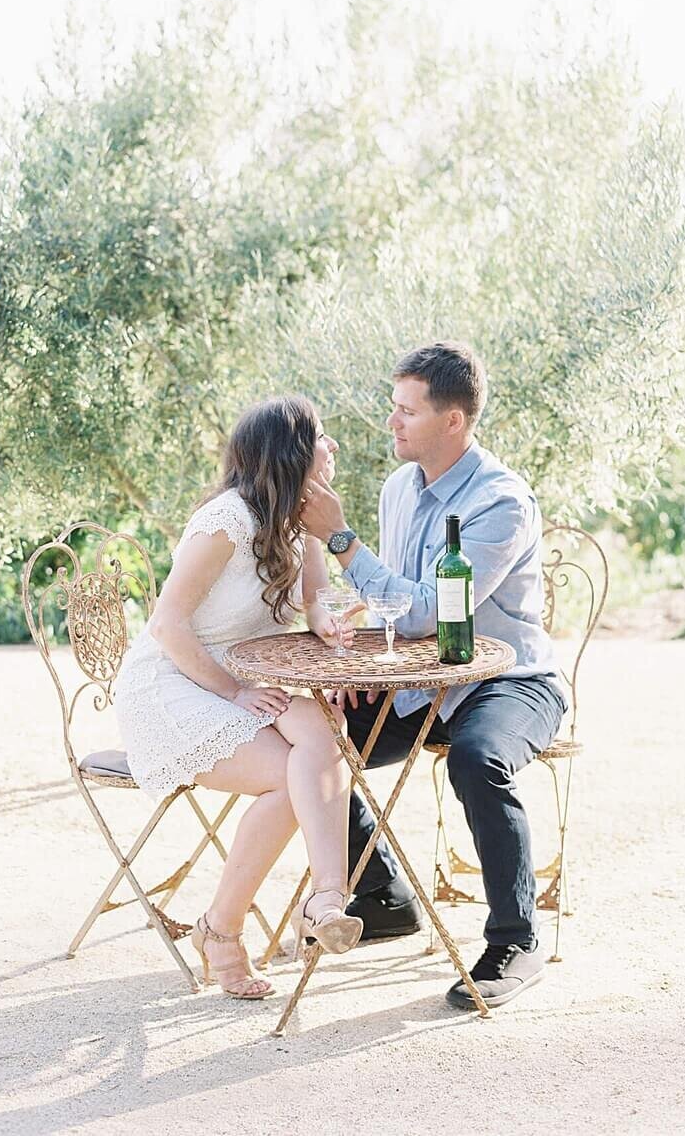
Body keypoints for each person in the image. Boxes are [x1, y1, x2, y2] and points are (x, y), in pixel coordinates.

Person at [299, 342, 566, 1010]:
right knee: (310, 741)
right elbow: (396, 606)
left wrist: (340, 540)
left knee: (476, 758)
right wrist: (358, 668)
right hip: (420, 680)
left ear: (454, 421)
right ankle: (384, 896)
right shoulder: (399, 486)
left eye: (406, 412)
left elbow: (425, 608)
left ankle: (517, 939)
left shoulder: (501, 501)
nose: (391, 423)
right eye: (393, 408)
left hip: (509, 681)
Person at [113, 396, 363, 1000]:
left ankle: (327, 900)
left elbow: (314, 603)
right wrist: (236, 692)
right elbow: (168, 625)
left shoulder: (297, 522)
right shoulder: (225, 521)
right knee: (288, 779)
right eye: (322, 438)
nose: (332, 448)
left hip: (248, 678)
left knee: (327, 735)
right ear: (292, 454)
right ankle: (220, 931)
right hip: (173, 683)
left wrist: (326, 627)